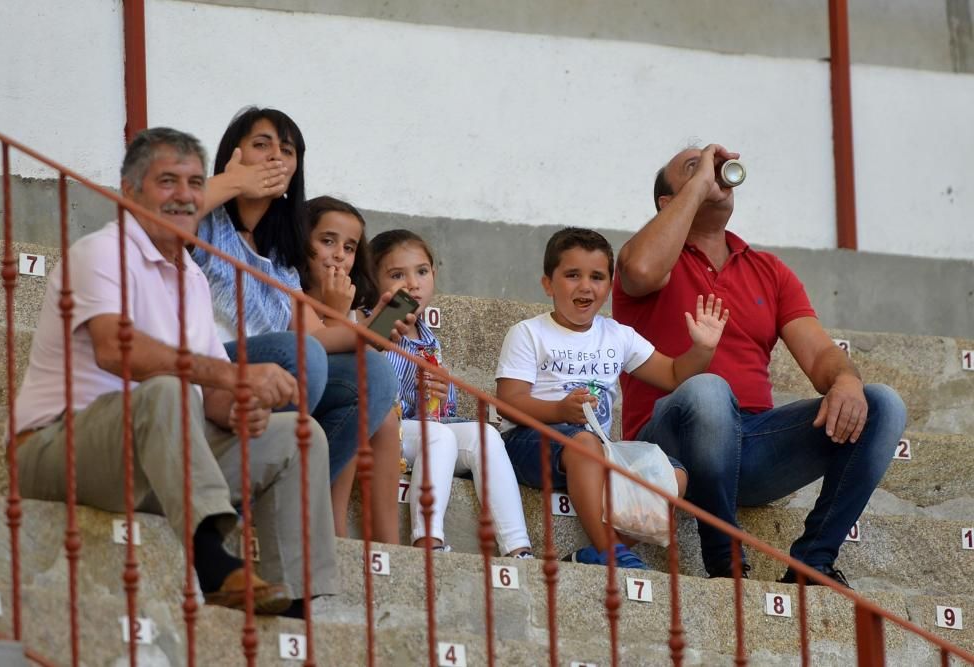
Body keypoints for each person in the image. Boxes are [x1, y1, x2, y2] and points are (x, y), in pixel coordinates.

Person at [13, 127, 337, 615]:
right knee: (168, 389)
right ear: (130, 190)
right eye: (167, 181)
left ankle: (295, 609)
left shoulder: (191, 278)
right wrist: (229, 377)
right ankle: (214, 565)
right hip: (57, 450)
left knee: (298, 433)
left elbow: (215, 398)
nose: (185, 196)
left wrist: (242, 406)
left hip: (151, 461)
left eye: (193, 183)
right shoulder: (101, 251)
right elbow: (116, 351)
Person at [612, 144, 907, 585]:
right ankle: (723, 560)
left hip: (752, 445)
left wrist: (845, 379)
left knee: (884, 404)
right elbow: (638, 269)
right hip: (668, 449)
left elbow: (820, 352)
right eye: (693, 169)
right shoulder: (653, 258)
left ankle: (813, 563)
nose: (712, 173)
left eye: (713, 168)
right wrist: (698, 187)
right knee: (708, 389)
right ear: (667, 203)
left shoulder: (768, 269)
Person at [191, 107, 402, 543]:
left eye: (286, 150)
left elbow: (313, 341)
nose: (274, 157)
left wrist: (372, 332)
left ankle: (276, 497)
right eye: (261, 144)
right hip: (208, 367)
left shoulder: (282, 261)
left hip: (268, 370)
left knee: (374, 375)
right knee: (300, 354)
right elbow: (156, 216)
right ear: (235, 152)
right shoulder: (207, 221)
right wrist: (233, 183)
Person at [496, 227, 728, 569]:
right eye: (572, 275)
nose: (585, 286)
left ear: (608, 285)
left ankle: (602, 553)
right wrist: (560, 409)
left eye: (597, 277)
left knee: (674, 475)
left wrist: (703, 349)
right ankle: (611, 552)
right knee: (585, 443)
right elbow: (508, 401)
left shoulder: (617, 335)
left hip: (595, 452)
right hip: (528, 443)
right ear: (548, 284)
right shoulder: (529, 333)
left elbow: (674, 375)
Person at [370, 229, 534, 557]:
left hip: (417, 431)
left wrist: (443, 394)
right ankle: (427, 541)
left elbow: (438, 414)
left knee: (485, 436)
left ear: (434, 274)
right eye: (397, 275)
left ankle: (518, 549)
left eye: (422, 271)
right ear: (373, 282)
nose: (413, 284)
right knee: (440, 438)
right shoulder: (374, 325)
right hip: (380, 431)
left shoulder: (430, 340)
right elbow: (368, 383)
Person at [298, 195, 402, 540]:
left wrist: (374, 328)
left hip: (341, 395)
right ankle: (336, 531)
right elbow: (317, 350)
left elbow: (356, 353)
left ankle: (390, 543)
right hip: (302, 395)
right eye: (327, 241)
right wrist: (336, 315)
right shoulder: (287, 290)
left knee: (386, 419)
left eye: (350, 247)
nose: (339, 254)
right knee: (356, 405)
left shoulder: (350, 304)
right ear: (302, 240)